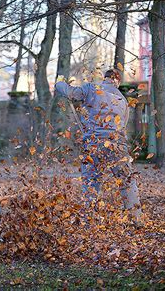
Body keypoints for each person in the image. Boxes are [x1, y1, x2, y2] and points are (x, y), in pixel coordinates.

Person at [55, 69, 143, 226]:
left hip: (94, 144)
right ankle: (136, 219)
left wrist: (60, 82)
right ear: (117, 81)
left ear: (105, 79)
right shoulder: (123, 100)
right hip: (117, 145)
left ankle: (89, 220)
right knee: (127, 181)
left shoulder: (91, 88)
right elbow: (122, 127)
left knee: (91, 182)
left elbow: (71, 93)